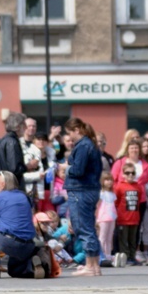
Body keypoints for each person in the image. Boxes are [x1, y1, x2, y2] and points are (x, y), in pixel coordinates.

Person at [0, 171, 44, 279]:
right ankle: (30, 266)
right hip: (29, 244)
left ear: (3, 184)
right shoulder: (24, 196)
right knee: (13, 270)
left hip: (10, 243)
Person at [63, 117, 103, 277]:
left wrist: (65, 167)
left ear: (76, 130)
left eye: (69, 133)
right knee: (88, 227)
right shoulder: (89, 144)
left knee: (83, 227)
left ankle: (90, 266)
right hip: (89, 189)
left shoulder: (83, 146)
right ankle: (94, 265)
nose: (69, 138)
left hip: (81, 190)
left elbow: (78, 170)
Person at [114, 162, 141, 267]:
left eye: (132, 173)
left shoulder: (138, 186)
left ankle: (132, 257)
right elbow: (116, 202)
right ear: (123, 174)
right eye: (127, 173)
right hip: (123, 218)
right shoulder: (119, 186)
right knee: (123, 240)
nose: (130, 175)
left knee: (133, 240)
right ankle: (125, 258)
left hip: (134, 218)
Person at [0, 112, 27, 189]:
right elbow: (14, 168)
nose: (26, 128)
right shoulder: (12, 142)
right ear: (18, 126)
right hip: (11, 186)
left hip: (5, 184)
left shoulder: (4, 139)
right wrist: (27, 167)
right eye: (24, 125)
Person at [96, 172, 116, 260]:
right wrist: (96, 218)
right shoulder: (101, 193)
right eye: (107, 180)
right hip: (103, 218)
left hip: (112, 218)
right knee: (102, 237)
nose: (109, 182)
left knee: (109, 237)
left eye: (111, 180)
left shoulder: (112, 194)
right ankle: (101, 255)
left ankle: (108, 254)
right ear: (102, 181)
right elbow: (97, 206)